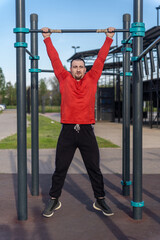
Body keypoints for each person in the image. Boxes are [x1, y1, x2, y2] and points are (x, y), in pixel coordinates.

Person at [41, 27, 115, 218]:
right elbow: (55, 59)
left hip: (86, 131)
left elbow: (100, 59)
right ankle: (54, 199)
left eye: (81, 66)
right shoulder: (64, 78)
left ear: (85, 68)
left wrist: (108, 39)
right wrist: (47, 39)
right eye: (75, 66)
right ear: (70, 68)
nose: (78, 69)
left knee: (94, 168)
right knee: (60, 168)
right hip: (67, 131)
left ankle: (100, 200)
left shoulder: (92, 77)